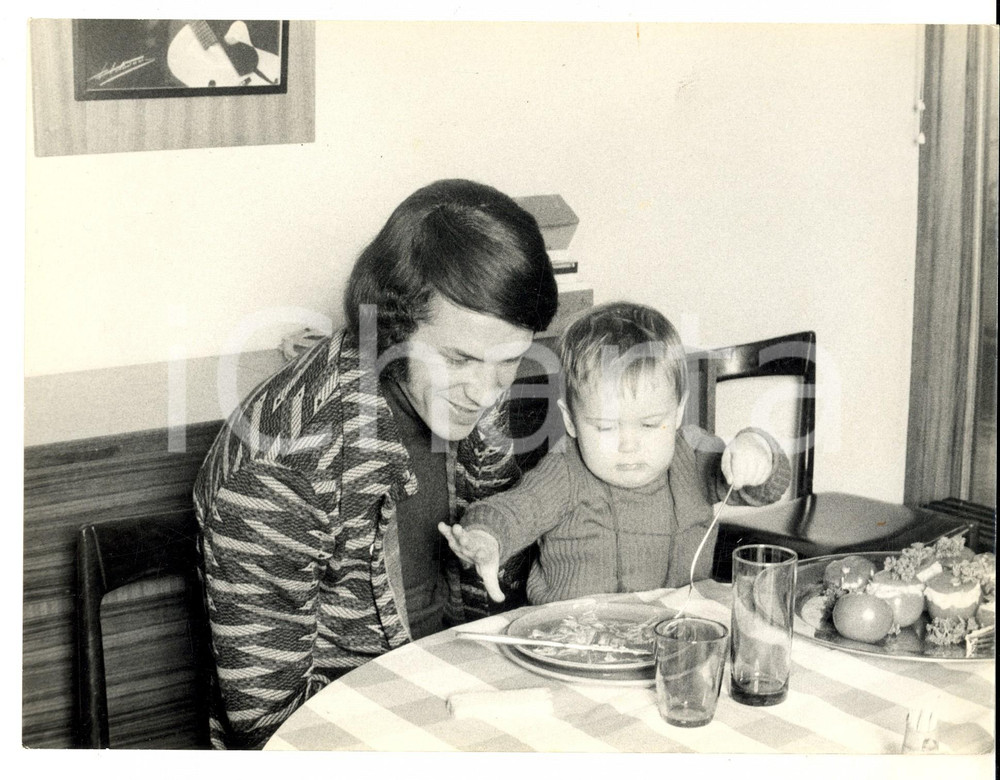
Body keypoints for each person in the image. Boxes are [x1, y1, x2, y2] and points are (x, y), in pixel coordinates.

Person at [193, 179, 559, 749]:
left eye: (508, 362)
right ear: (393, 324)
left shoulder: (467, 395)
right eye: (459, 358)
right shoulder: (284, 465)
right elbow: (270, 722)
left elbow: (501, 593)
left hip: (468, 709)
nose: (486, 392)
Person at [439, 301, 792, 605]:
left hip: (674, 634)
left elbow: (763, 488)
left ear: (678, 413)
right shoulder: (566, 472)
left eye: (650, 424)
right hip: (575, 637)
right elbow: (514, 510)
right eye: (606, 427)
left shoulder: (694, 455)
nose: (629, 445)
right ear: (571, 421)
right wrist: (485, 537)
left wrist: (758, 451)